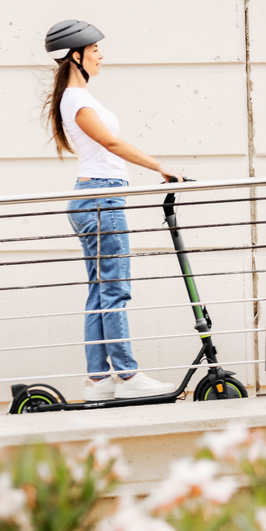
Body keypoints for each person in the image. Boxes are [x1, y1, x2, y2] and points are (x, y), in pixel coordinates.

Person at [43, 20, 183, 400]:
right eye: (95, 50)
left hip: (96, 199)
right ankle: (125, 375)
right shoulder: (75, 99)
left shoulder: (77, 97)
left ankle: (99, 381)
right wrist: (159, 166)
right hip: (101, 200)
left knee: (100, 292)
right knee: (115, 291)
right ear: (76, 55)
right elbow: (110, 143)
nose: (101, 55)